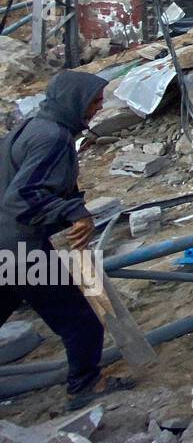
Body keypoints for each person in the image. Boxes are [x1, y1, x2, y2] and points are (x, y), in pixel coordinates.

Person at [1, 71, 132, 411]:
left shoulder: (32, 127)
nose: (99, 107)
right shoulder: (52, 138)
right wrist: (74, 211)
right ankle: (86, 385)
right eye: (94, 101)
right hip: (20, 251)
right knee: (80, 320)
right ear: (74, 100)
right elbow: (22, 198)